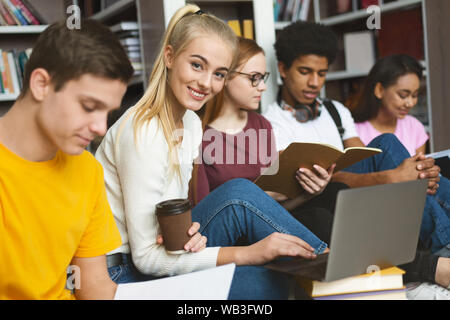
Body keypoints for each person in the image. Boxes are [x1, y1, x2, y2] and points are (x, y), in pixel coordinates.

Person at [95, 5, 328, 300]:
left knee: (239, 197)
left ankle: (336, 271)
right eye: (196, 65)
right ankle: (335, 268)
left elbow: (170, 222)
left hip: (162, 250)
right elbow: (147, 258)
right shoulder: (144, 131)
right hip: (122, 272)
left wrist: (189, 230)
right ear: (169, 57)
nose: (206, 83)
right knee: (264, 277)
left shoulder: (191, 123)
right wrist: (248, 254)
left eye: (219, 73)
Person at [263, 20, 449, 297]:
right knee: (390, 157)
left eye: (322, 73)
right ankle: (443, 244)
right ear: (282, 69)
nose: (315, 82)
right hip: (319, 203)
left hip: (357, 195)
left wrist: (409, 173)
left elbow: (369, 158)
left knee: (396, 152)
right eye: (305, 72)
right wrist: (390, 177)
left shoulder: (336, 111)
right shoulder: (272, 124)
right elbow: (323, 185)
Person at [0, 20, 134, 299]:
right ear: (41, 84)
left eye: (107, 112)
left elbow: (94, 286)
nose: (101, 127)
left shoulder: (87, 171)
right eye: (89, 106)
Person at [193, 37, 337, 244]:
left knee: (321, 213)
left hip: (266, 228)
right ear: (224, 76)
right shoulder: (197, 134)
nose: (262, 87)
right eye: (254, 78)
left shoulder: (261, 125)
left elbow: (276, 211)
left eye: (263, 78)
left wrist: (308, 193)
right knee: (318, 221)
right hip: (229, 238)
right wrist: (264, 196)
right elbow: (207, 218)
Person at [353, 54, 428, 156]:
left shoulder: (414, 127)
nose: (410, 103)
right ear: (379, 90)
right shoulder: (354, 132)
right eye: (403, 95)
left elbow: (419, 170)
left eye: (415, 95)